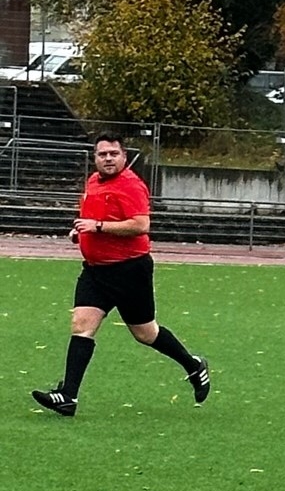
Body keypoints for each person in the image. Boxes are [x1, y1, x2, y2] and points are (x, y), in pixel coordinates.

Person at [31, 133, 210, 417]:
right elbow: (91, 220)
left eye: (114, 154)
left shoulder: (131, 185)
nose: (108, 159)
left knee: (145, 333)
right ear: (95, 158)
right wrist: (80, 232)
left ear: (124, 157)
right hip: (95, 271)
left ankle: (193, 365)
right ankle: (68, 397)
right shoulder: (93, 182)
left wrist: (98, 227)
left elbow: (140, 225)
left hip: (129, 271)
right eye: (102, 154)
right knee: (81, 325)